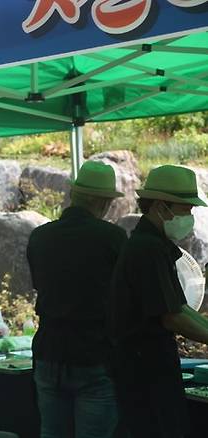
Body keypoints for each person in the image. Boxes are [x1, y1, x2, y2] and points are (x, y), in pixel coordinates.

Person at [26, 161, 127, 438]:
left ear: (74, 194)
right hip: (93, 354)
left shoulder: (40, 237)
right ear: (104, 201)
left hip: (49, 353)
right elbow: (126, 299)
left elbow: (40, 286)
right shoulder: (113, 238)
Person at [108, 165, 208, 438]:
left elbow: (180, 307)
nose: (189, 216)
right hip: (144, 371)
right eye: (185, 209)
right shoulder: (147, 249)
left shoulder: (155, 245)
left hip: (147, 367)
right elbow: (171, 316)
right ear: (161, 207)